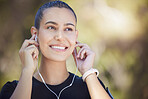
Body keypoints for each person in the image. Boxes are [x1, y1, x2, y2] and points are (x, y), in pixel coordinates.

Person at [0, 1, 113, 99]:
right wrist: (27, 71)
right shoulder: (13, 90)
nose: (60, 36)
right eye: (51, 27)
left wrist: (88, 71)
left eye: (68, 29)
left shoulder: (91, 86)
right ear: (35, 34)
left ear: (75, 36)